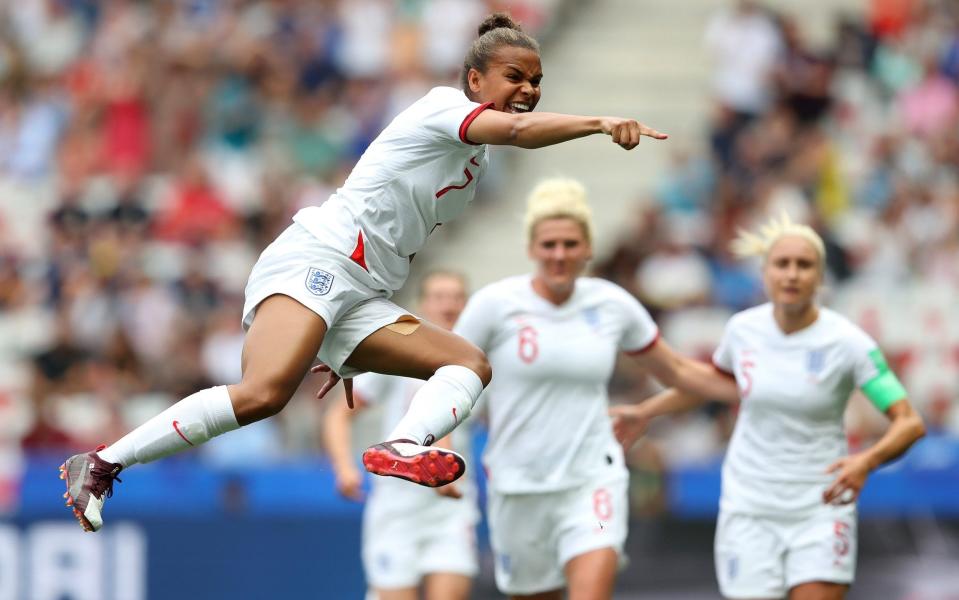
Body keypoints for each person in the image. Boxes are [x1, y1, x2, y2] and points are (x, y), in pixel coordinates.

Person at [58, 12, 668, 533]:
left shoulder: (475, 161)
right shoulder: (443, 109)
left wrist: (342, 343)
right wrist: (597, 122)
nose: (529, 90)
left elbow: (402, 228)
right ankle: (104, 462)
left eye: (536, 80)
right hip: (319, 259)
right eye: (516, 78)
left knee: (469, 365)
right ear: (475, 78)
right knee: (265, 393)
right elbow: (515, 130)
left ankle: (404, 443)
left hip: (360, 291)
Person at [452, 178, 753, 600]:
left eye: (571, 244)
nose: (560, 254)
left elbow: (678, 372)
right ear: (531, 248)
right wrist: (441, 441)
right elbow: (449, 376)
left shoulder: (611, 304)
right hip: (518, 484)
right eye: (549, 244)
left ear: (589, 248)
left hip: (592, 477)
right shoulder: (493, 305)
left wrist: (756, 386)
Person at [610, 213, 926, 600]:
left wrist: (867, 461)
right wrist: (646, 411)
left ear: (820, 276)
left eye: (804, 265)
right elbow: (715, 384)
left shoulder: (850, 344)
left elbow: (908, 423)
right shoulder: (743, 330)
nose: (792, 274)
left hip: (820, 506)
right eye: (782, 264)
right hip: (749, 507)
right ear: (765, 273)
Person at [322, 270, 479, 600]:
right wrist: (344, 469)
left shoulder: (479, 364)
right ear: (424, 304)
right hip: (396, 507)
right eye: (439, 297)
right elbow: (339, 415)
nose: (448, 305)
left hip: (450, 510)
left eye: (456, 297)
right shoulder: (402, 355)